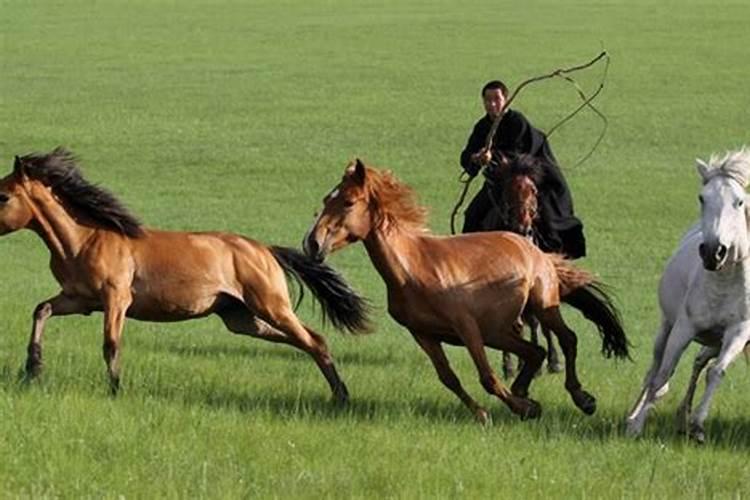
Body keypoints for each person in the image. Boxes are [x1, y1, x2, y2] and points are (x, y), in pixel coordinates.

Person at [459, 79, 586, 259]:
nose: (492, 104)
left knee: (543, 217)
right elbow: (466, 155)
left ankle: (552, 258)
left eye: (497, 99)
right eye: (488, 100)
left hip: (524, 179)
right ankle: (468, 259)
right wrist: (475, 158)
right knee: (472, 215)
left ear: (506, 100)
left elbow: (517, 155)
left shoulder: (517, 121)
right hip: (496, 185)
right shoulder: (482, 127)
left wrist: (492, 157)